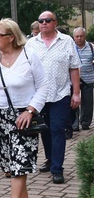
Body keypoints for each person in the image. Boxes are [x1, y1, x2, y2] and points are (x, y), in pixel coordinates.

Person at [0, 19, 48, 198]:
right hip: (2, 117)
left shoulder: (29, 56)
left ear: (12, 37)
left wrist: (30, 110)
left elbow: (43, 87)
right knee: (12, 163)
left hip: (24, 118)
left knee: (20, 161)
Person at [25, 11, 80, 184]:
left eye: (47, 20)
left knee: (57, 129)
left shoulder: (66, 41)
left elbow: (74, 68)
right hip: (38, 96)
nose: (44, 23)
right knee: (45, 130)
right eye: (41, 21)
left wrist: (76, 93)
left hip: (60, 93)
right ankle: (50, 159)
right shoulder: (31, 44)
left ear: (55, 22)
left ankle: (57, 168)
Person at [71, 27, 93, 132]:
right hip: (73, 80)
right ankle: (74, 124)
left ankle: (85, 123)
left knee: (88, 102)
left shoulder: (91, 47)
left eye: (81, 36)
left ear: (85, 36)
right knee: (74, 103)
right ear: (73, 37)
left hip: (88, 79)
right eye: (77, 36)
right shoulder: (70, 47)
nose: (79, 38)